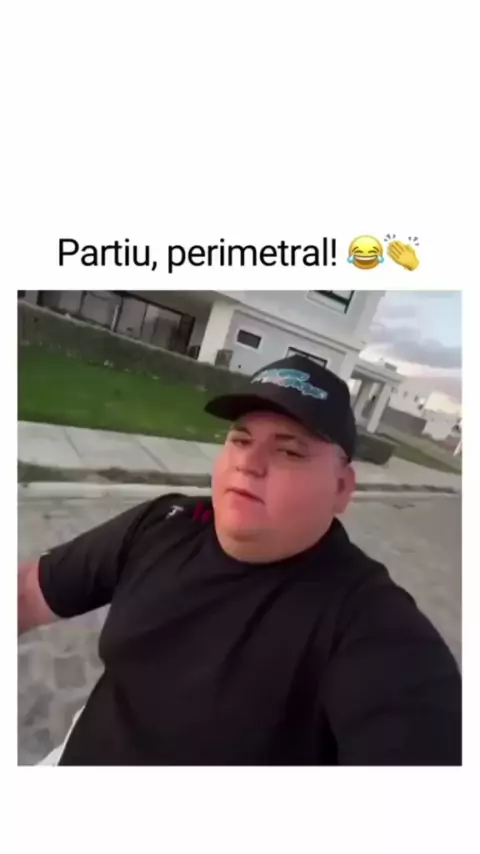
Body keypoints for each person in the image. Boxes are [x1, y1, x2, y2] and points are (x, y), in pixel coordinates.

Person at [18, 355, 461, 765]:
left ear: (341, 488)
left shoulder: (368, 623)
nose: (248, 462)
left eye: (289, 450)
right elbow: (26, 592)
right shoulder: (164, 522)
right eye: (241, 439)